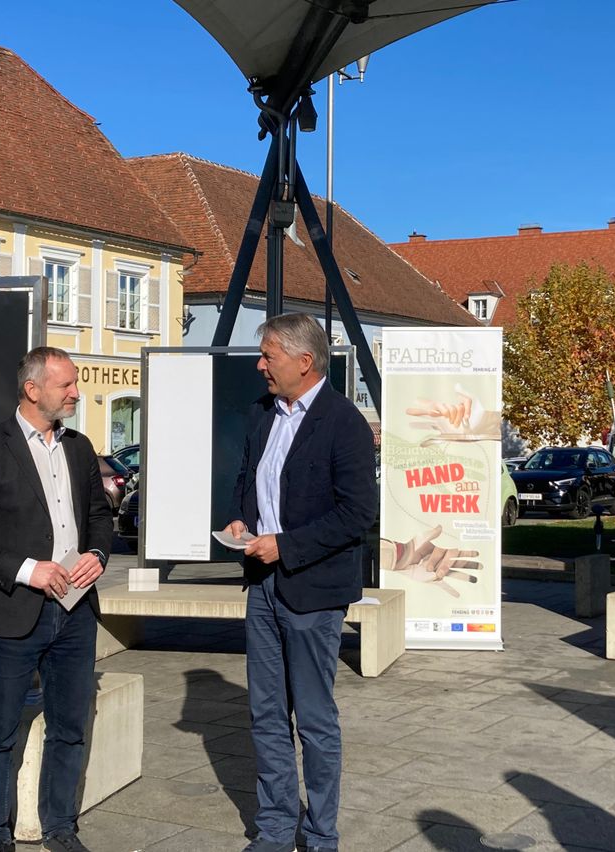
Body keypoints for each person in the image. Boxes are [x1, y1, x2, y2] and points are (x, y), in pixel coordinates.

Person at [0, 346, 111, 852]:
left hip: (75, 614)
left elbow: (101, 517)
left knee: (70, 728)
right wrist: (27, 570)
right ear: (33, 389)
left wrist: (99, 554)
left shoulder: (80, 447)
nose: (76, 393)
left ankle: (60, 829)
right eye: (66, 385)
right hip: (9, 613)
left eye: (76, 383)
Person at [223, 314, 377, 852]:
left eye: (268, 356)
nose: (260, 366)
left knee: (313, 719)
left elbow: (358, 514)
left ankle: (320, 835)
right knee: (265, 714)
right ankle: (273, 830)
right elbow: (251, 482)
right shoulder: (263, 414)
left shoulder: (344, 423)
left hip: (312, 592)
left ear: (304, 361)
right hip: (262, 585)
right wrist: (243, 520)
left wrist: (285, 544)